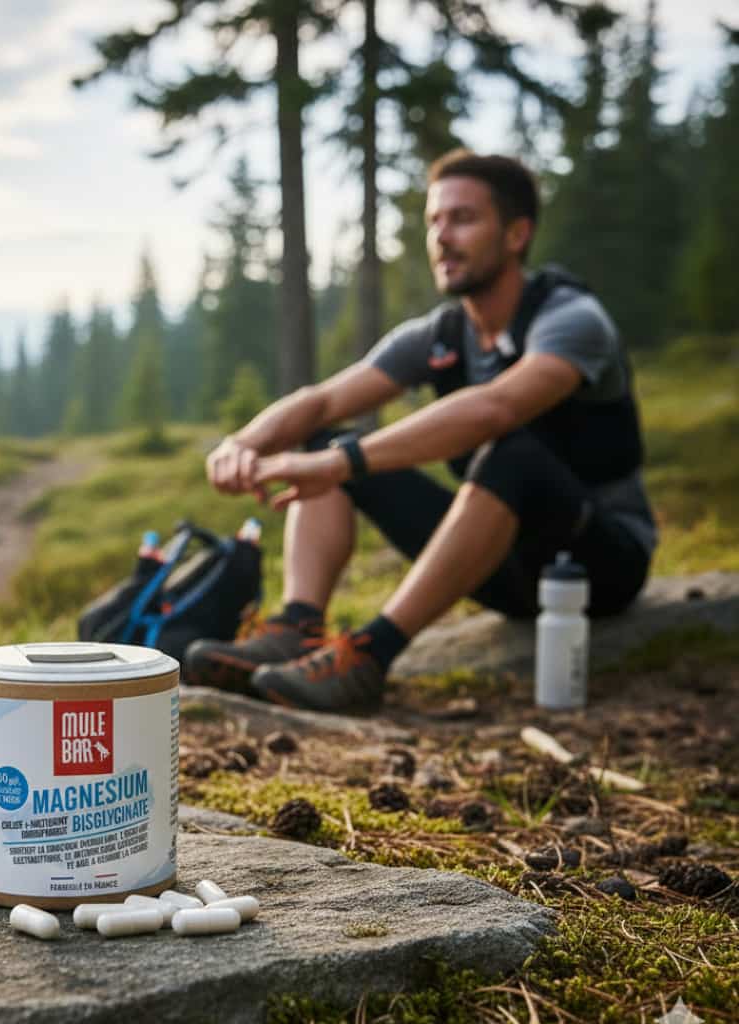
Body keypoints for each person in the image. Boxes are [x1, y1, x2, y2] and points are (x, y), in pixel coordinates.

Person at [184, 149, 656, 712]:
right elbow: (324, 399)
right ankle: (297, 627)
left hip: (598, 564)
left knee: (513, 452)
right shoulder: (442, 334)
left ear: (516, 234)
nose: (442, 236)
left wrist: (340, 462)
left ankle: (369, 656)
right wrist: (243, 443)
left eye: (463, 219)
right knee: (322, 440)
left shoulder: (571, 320)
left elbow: (495, 408)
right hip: (503, 567)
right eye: (434, 221)